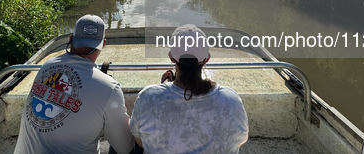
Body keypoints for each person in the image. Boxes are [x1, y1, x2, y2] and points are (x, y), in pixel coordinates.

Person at [14, 14, 135, 154]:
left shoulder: (48, 66)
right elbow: (125, 148)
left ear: (71, 39)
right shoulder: (109, 87)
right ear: (103, 44)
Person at [129, 24, 248, 154]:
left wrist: (163, 88)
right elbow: (241, 140)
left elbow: (139, 140)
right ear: (207, 59)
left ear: (172, 58)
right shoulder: (231, 100)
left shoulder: (148, 97)